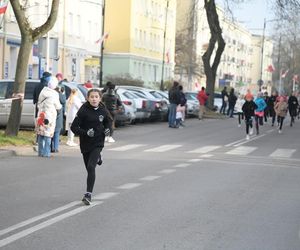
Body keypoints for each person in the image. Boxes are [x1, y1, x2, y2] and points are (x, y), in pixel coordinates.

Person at [71, 88, 111, 205]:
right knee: (88, 168)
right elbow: (74, 127)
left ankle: (88, 194)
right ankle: (98, 157)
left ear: (100, 98)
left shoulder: (103, 110)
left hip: (98, 142)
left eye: (96, 97)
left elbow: (108, 122)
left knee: (91, 167)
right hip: (85, 143)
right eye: (92, 97)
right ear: (87, 98)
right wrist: (85, 133)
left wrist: (108, 130)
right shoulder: (83, 110)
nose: (94, 99)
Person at [37, 76, 62, 157]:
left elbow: (38, 103)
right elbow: (58, 106)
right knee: (48, 134)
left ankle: (40, 152)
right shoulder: (54, 94)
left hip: (41, 115)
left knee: (41, 133)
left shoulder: (42, 91)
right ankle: (46, 153)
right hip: (50, 116)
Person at [51, 86, 65, 153]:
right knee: (56, 133)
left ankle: (52, 147)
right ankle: (55, 148)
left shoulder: (50, 94)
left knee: (51, 133)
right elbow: (63, 100)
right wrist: (62, 93)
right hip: (58, 117)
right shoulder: (59, 95)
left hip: (51, 115)